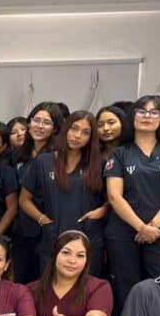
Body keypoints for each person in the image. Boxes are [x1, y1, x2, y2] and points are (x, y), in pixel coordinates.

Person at [104, 95, 160, 316]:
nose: (147, 116)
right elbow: (114, 197)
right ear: (132, 116)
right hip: (124, 234)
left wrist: (153, 225)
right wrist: (140, 227)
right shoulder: (120, 153)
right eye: (141, 111)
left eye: (154, 112)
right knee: (128, 290)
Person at [19, 111, 107, 277]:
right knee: (48, 290)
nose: (77, 135)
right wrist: (42, 219)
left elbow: (113, 200)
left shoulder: (99, 164)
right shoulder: (43, 161)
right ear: (66, 129)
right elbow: (24, 200)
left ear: (92, 137)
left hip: (88, 236)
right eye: (74, 128)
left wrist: (102, 211)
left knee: (85, 292)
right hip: (53, 236)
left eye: (85, 132)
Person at [11, 102, 63, 284]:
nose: (40, 126)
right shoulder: (19, 154)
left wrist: (44, 220)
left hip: (49, 227)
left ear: (56, 128)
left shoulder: (58, 156)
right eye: (36, 120)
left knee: (45, 282)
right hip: (22, 229)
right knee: (22, 282)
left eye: (46, 123)